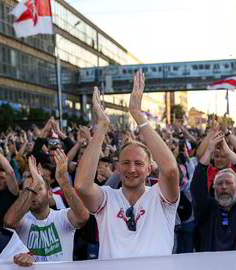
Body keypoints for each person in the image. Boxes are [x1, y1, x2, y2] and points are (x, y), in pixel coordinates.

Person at [75, 71, 180, 259]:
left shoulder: (161, 197)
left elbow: (171, 169)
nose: (131, 169)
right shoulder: (107, 198)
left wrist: (137, 115)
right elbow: (82, 186)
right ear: (117, 167)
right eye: (125, 163)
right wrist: (102, 126)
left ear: (149, 168)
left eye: (139, 163)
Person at [4, 153, 88, 262]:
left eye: (38, 188)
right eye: (28, 190)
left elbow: (83, 217)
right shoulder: (21, 220)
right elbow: (9, 222)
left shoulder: (62, 217)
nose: (33, 193)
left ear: (50, 193)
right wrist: (35, 183)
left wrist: (63, 181)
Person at [191, 128, 236, 251]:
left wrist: (228, 152)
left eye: (228, 182)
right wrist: (209, 151)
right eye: (219, 183)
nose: (223, 186)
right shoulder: (207, 210)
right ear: (213, 187)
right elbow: (196, 187)